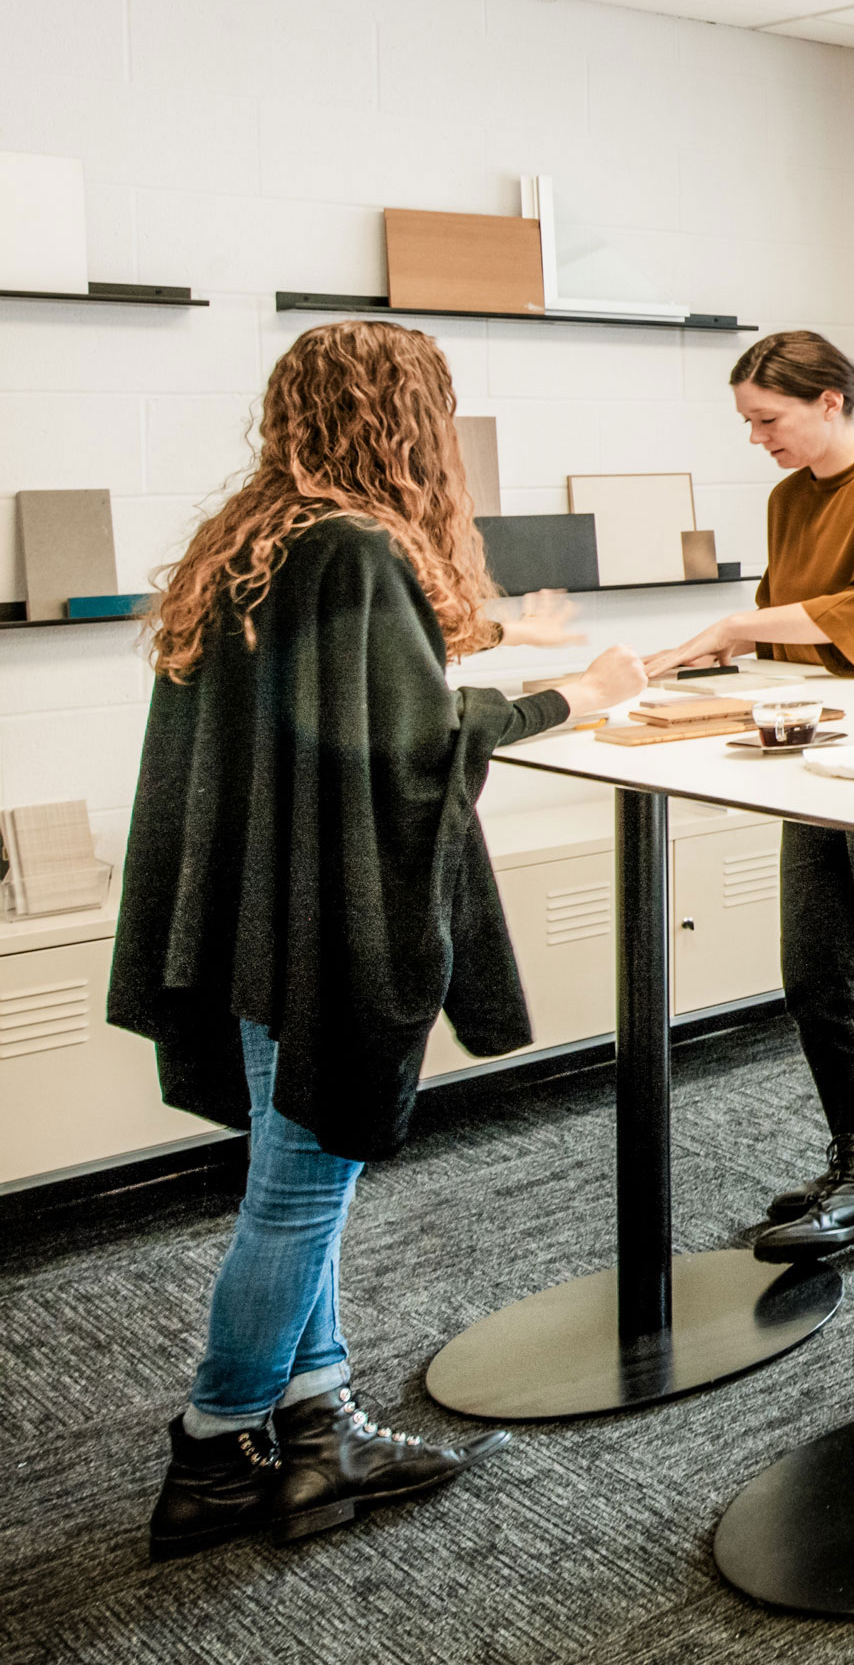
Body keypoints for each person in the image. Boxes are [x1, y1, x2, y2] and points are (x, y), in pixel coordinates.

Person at [108, 321, 646, 1560]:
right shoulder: (353, 546)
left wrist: (499, 641)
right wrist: (581, 695)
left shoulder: (255, 540)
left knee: (296, 1179)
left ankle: (317, 1420)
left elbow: (344, 694)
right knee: (300, 1191)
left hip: (246, 913)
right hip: (313, 922)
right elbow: (404, 748)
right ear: (406, 423)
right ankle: (216, 1444)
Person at [644, 331, 854, 1264]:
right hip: (818, 742)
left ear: (830, 400)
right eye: (748, 423)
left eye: (768, 420)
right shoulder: (789, 499)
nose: (758, 440)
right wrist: (713, 650)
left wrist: (738, 621)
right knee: (817, 961)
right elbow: (794, 627)